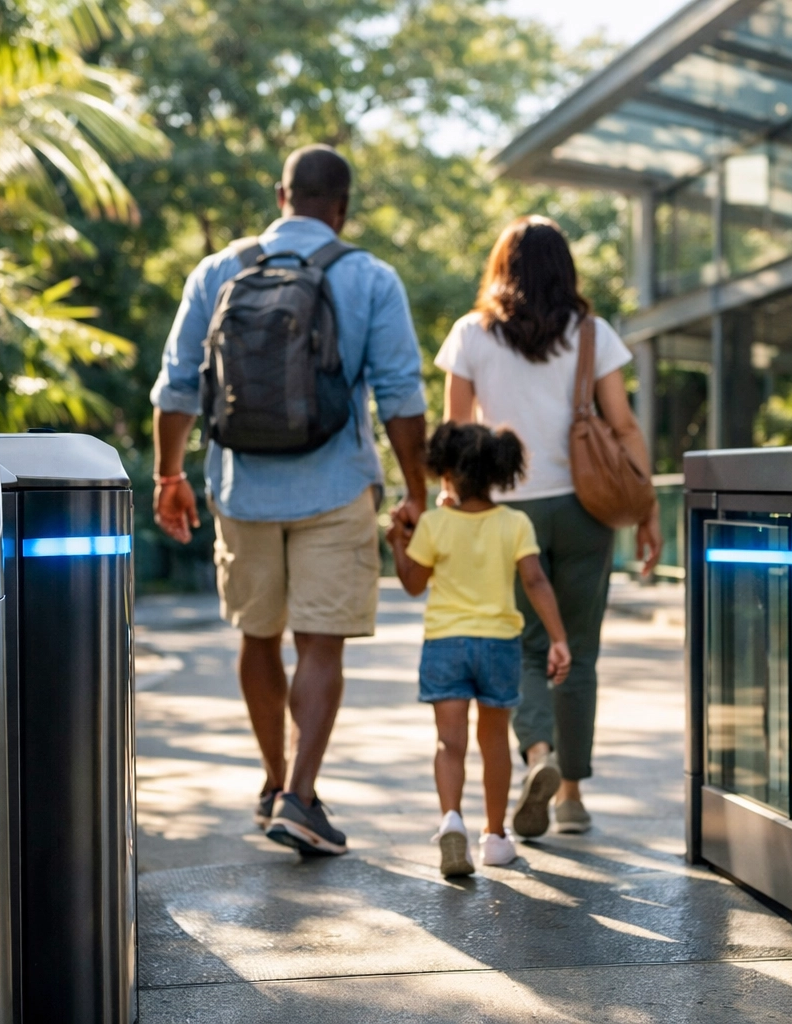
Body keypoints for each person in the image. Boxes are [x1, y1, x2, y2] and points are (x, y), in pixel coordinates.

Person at [151, 144, 429, 857]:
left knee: (257, 633)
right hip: (334, 485)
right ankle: (302, 797)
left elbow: (177, 384)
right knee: (320, 643)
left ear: (282, 195)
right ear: (342, 207)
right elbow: (401, 395)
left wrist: (168, 475)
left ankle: (275, 782)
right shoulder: (369, 277)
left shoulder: (218, 271)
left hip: (241, 486)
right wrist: (417, 492)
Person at [434, 215, 662, 838]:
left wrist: (451, 511)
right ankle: (571, 797)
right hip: (587, 509)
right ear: (565, 268)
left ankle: (538, 753)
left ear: (501, 267)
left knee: (527, 648)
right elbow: (624, 428)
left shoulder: (472, 335)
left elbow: (456, 434)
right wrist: (648, 509)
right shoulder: (592, 333)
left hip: (509, 512)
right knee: (579, 651)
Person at [388, 423, 571, 876]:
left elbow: (412, 584)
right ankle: (494, 837)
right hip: (499, 645)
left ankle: (452, 822)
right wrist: (558, 638)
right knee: (493, 745)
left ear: (445, 471)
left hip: (445, 644)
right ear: (499, 473)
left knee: (449, 743)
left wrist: (397, 541)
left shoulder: (433, 523)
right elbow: (535, 580)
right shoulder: (514, 523)